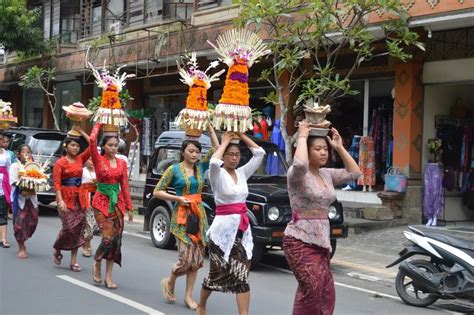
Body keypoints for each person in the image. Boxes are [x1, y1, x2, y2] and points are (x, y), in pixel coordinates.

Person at [283, 121, 361, 315]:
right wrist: (301, 136)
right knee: (312, 287)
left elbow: (355, 173)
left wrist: (339, 147)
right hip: (299, 239)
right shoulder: (296, 175)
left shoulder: (327, 174)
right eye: (318, 149)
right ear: (307, 151)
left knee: (326, 293)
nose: (323, 152)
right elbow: (300, 164)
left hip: (322, 241)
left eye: (325, 149)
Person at [197, 132, 265, 315]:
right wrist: (225, 141)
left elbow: (259, 153)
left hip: (242, 231)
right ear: (224, 156)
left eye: (237, 155)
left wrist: (241, 135)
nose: (234, 158)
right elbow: (213, 162)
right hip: (222, 232)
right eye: (230, 154)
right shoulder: (216, 174)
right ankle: (201, 304)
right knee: (216, 274)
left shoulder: (243, 173)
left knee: (242, 274)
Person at [154, 124, 219, 310]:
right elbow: (157, 191)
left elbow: (216, 149)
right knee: (185, 259)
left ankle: (189, 296)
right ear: (183, 152)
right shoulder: (173, 169)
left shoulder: (201, 168)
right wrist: (176, 198)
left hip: (198, 216)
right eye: (191, 151)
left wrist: (210, 129)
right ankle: (170, 279)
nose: (194, 154)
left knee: (197, 261)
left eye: (197, 152)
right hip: (181, 217)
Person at [90, 123, 133, 290]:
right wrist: (100, 121)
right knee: (107, 238)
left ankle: (108, 276)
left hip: (118, 204)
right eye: (110, 145)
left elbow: (125, 185)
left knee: (116, 241)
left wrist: (129, 208)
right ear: (103, 146)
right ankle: (97, 261)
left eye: (116, 145)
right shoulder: (98, 159)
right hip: (101, 202)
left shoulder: (122, 163)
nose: (114, 148)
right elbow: (92, 139)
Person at [52, 125, 90, 271]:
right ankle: (58, 247)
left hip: (80, 197)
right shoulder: (60, 163)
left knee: (78, 229)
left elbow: (93, 145)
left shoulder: (81, 159)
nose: (76, 148)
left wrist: (81, 132)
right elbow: (57, 183)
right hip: (65, 197)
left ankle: (73, 260)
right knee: (68, 228)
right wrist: (60, 200)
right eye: (73, 145)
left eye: (78, 145)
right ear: (66, 146)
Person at [10, 145, 38, 258]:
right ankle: (21, 247)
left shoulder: (35, 166)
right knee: (19, 224)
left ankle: (24, 239)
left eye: (28, 152)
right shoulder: (15, 166)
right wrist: (23, 186)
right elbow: (13, 181)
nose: (26, 154)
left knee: (33, 222)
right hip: (19, 198)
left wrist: (33, 187)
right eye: (23, 151)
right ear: (19, 154)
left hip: (32, 198)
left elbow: (40, 180)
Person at [81, 158, 97, 257]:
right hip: (85, 198)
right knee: (88, 224)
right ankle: (85, 245)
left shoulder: (99, 171)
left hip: (96, 198)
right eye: (90, 160)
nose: (92, 162)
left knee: (94, 224)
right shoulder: (82, 171)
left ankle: (88, 241)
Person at [0, 133, 12, 248]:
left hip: (3, 185)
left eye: (2, 139)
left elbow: (10, 169)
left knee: (3, 212)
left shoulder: (7, 154)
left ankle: (3, 238)